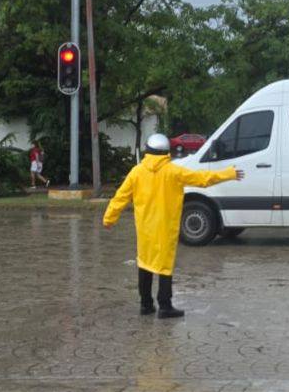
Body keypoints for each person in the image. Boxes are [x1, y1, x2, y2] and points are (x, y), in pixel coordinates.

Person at [103, 133, 244, 318]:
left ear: (148, 150)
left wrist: (109, 218)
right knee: (164, 267)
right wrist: (229, 173)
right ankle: (165, 306)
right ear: (166, 152)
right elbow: (203, 178)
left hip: (145, 229)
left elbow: (120, 197)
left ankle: (146, 305)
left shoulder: (136, 172)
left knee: (144, 263)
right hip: (165, 228)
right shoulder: (174, 171)